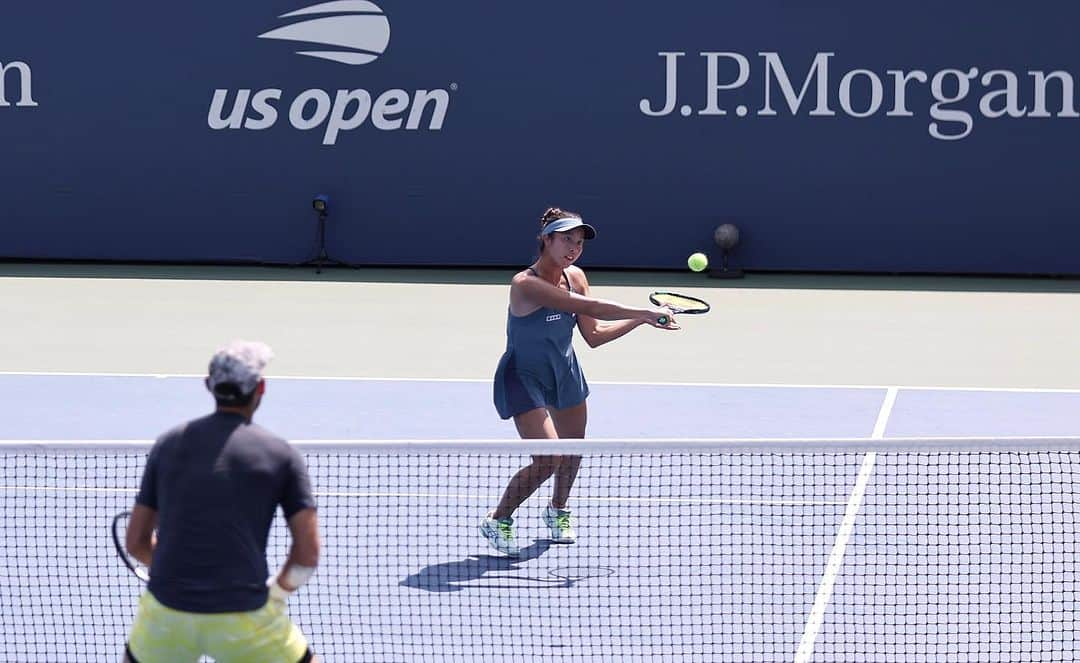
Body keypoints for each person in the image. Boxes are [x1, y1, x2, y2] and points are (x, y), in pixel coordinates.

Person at [481, 207, 677, 556]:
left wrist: (641, 322)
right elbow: (595, 306)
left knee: (573, 450)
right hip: (524, 377)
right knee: (547, 458)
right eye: (566, 239)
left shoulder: (576, 277)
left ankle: (557, 510)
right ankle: (498, 519)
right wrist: (645, 311)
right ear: (546, 240)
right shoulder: (525, 284)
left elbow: (595, 334)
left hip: (565, 371)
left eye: (579, 242)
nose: (573, 247)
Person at [124, 341, 321, 663]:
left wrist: (172, 568)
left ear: (208, 386)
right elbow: (307, 555)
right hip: (245, 617)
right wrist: (280, 591)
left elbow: (135, 542)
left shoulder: (168, 446)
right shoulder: (280, 454)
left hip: (167, 615)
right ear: (261, 388)